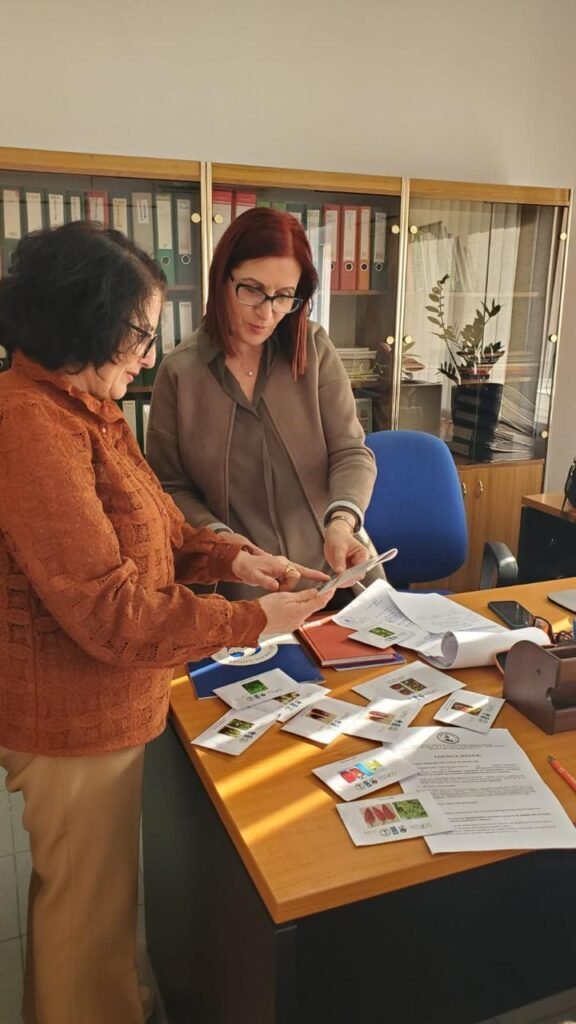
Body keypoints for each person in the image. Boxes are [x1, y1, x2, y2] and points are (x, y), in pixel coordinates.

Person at [0, 221, 334, 1024]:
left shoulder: (86, 405)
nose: (148, 357)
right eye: (140, 334)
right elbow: (109, 611)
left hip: (109, 701)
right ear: (87, 320)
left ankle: (113, 999)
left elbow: (160, 528)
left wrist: (233, 557)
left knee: (99, 896)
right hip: (72, 716)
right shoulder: (31, 425)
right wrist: (251, 621)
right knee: (81, 907)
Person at [147, 206, 379, 603]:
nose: (267, 312)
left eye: (284, 296)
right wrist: (226, 547)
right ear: (222, 278)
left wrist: (342, 522)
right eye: (252, 290)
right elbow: (169, 488)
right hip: (238, 589)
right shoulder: (180, 373)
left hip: (335, 576)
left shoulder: (314, 349)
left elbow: (350, 451)